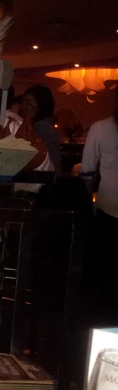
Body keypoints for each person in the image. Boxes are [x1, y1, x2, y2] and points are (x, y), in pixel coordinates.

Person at [77, 89, 118, 296]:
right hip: (107, 209)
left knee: (104, 281)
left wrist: (86, 211)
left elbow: (87, 173)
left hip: (108, 210)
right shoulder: (101, 128)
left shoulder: (101, 128)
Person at [6, 85, 62, 175]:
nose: (23, 106)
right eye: (23, 102)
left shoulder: (41, 126)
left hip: (45, 178)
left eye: (28, 103)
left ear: (41, 105)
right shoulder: (39, 124)